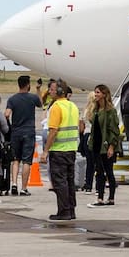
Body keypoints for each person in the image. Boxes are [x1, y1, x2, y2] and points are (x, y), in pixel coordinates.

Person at [45, 81, 79, 221]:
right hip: (71, 149)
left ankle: (63, 211)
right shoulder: (72, 106)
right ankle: (70, 209)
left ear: (59, 91)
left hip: (59, 150)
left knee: (59, 182)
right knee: (69, 181)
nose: (49, 91)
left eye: (52, 89)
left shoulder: (56, 107)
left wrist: (45, 150)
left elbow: (53, 131)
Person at [5, 75, 41, 197]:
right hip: (29, 131)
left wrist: (9, 127)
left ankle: (14, 184)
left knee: (15, 159)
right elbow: (40, 103)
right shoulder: (32, 98)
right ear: (27, 85)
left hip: (16, 132)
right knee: (27, 160)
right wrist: (38, 89)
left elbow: (6, 114)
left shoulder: (12, 99)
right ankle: (24, 188)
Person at [87, 84, 121, 207]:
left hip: (105, 146)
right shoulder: (96, 110)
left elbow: (114, 130)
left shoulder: (110, 111)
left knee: (108, 172)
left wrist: (112, 146)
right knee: (99, 172)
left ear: (104, 95)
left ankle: (110, 198)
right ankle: (100, 198)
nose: (95, 95)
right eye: (95, 92)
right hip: (96, 145)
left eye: (98, 92)